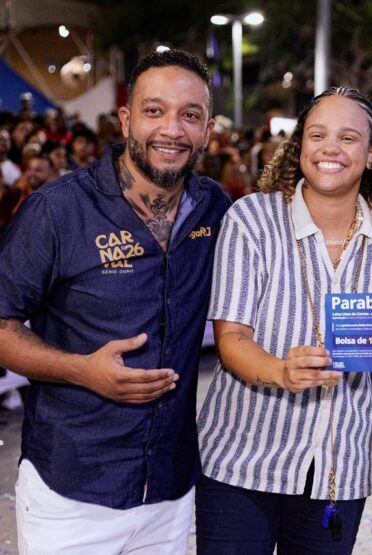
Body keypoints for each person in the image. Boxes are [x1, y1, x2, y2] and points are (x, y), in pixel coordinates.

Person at [0, 49, 230, 554]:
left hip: (169, 490)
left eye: (190, 114)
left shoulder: (216, 208)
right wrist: (82, 370)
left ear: (207, 129)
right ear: (126, 119)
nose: (171, 128)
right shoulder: (57, 211)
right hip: (72, 490)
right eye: (154, 110)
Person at [195, 86, 372, 554]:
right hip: (242, 460)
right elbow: (230, 336)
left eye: (349, 138)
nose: (331, 148)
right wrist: (280, 371)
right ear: (301, 147)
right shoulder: (251, 219)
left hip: (339, 466)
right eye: (318, 135)